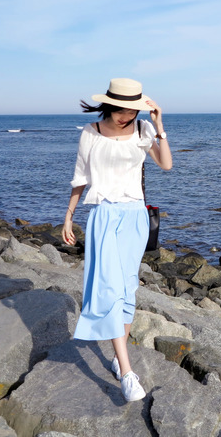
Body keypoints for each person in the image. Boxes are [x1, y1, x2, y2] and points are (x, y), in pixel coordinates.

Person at [62, 78, 172, 402]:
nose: (127, 115)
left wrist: (159, 125)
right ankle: (126, 372)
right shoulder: (90, 133)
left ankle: (115, 357)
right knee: (108, 288)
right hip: (103, 216)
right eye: (123, 109)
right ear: (109, 105)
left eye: (133, 109)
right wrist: (68, 216)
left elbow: (165, 164)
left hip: (135, 217)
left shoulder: (143, 130)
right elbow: (80, 178)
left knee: (127, 289)